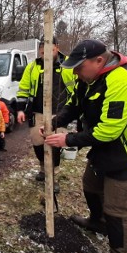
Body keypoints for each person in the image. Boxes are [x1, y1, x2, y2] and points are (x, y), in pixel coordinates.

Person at [43, 39, 127, 253]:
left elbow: (110, 130)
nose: (75, 72)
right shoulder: (87, 78)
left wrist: (67, 140)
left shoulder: (122, 80)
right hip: (105, 149)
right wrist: (56, 122)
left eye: (79, 66)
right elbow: (74, 105)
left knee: (117, 207)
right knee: (91, 185)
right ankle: (98, 221)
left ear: (99, 60)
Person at [16, 36, 76, 191]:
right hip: (37, 113)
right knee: (38, 144)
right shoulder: (33, 67)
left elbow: (78, 88)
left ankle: (53, 175)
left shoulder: (69, 64)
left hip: (60, 113)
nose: (45, 54)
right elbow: (23, 88)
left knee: (55, 145)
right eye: (42, 51)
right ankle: (43, 169)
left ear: (57, 47)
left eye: (49, 49)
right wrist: (21, 109)